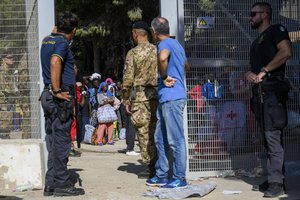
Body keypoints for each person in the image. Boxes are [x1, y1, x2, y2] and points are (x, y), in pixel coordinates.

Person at [246, 2, 292, 198]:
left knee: (273, 138)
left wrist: (264, 71)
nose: (250, 17)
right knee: (266, 138)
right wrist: (250, 73)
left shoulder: (277, 30)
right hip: (259, 94)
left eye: (253, 14)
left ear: (265, 14)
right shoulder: (256, 42)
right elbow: (253, 68)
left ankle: (276, 183)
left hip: (273, 92)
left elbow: (286, 52)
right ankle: (276, 178)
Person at [40, 11, 84, 196]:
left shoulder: (47, 40)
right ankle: (62, 184)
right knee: (61, 142)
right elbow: (55, 61)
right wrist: (57, 90)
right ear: (73, 30)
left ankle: (50, 184)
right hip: (59, 97)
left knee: (52, 140)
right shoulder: (62, 43)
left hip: (47, 96)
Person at [146, 17, 190, 188]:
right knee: (160, 137)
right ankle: (162, 174)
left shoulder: (164, 45)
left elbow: (163, 58)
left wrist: (164, 77)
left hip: (171, 98)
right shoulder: (177, 44)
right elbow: (186, 66)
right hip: (170, 97)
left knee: (176, 139)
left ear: (154, 32)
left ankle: (180, 177)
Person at [122, 21, 158, 178]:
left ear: (135, 34)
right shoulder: (157, 50)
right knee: (156, 130)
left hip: (140, 98)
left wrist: (125, 99)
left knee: (143, 132)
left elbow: (128, 79)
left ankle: (150, 167)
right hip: (156, 96)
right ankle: (160, 164)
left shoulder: (133, 53)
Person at [0, 53, 16, 131]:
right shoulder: (2, 71)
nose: (11, 59)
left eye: (12, 57)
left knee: (8, 118)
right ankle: (4, 137)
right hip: (4, 100)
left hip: (7, 99)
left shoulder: (8, 70)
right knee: (6, 119)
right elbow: (3, 88)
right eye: (9, 57)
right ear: (3, 59)